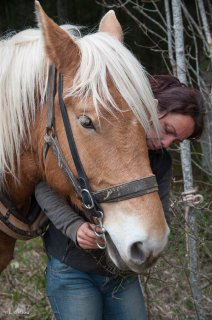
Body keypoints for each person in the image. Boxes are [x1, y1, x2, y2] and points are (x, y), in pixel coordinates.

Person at [35, 75, 204, 320]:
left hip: (121, 275)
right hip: (71, 269)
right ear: (152, 105)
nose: (166, 142)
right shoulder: (99, 132)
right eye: (168, 130)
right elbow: (42, 183)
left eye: (176, 141)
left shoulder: (160, 161)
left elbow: (161, 214)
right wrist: (73, 226)